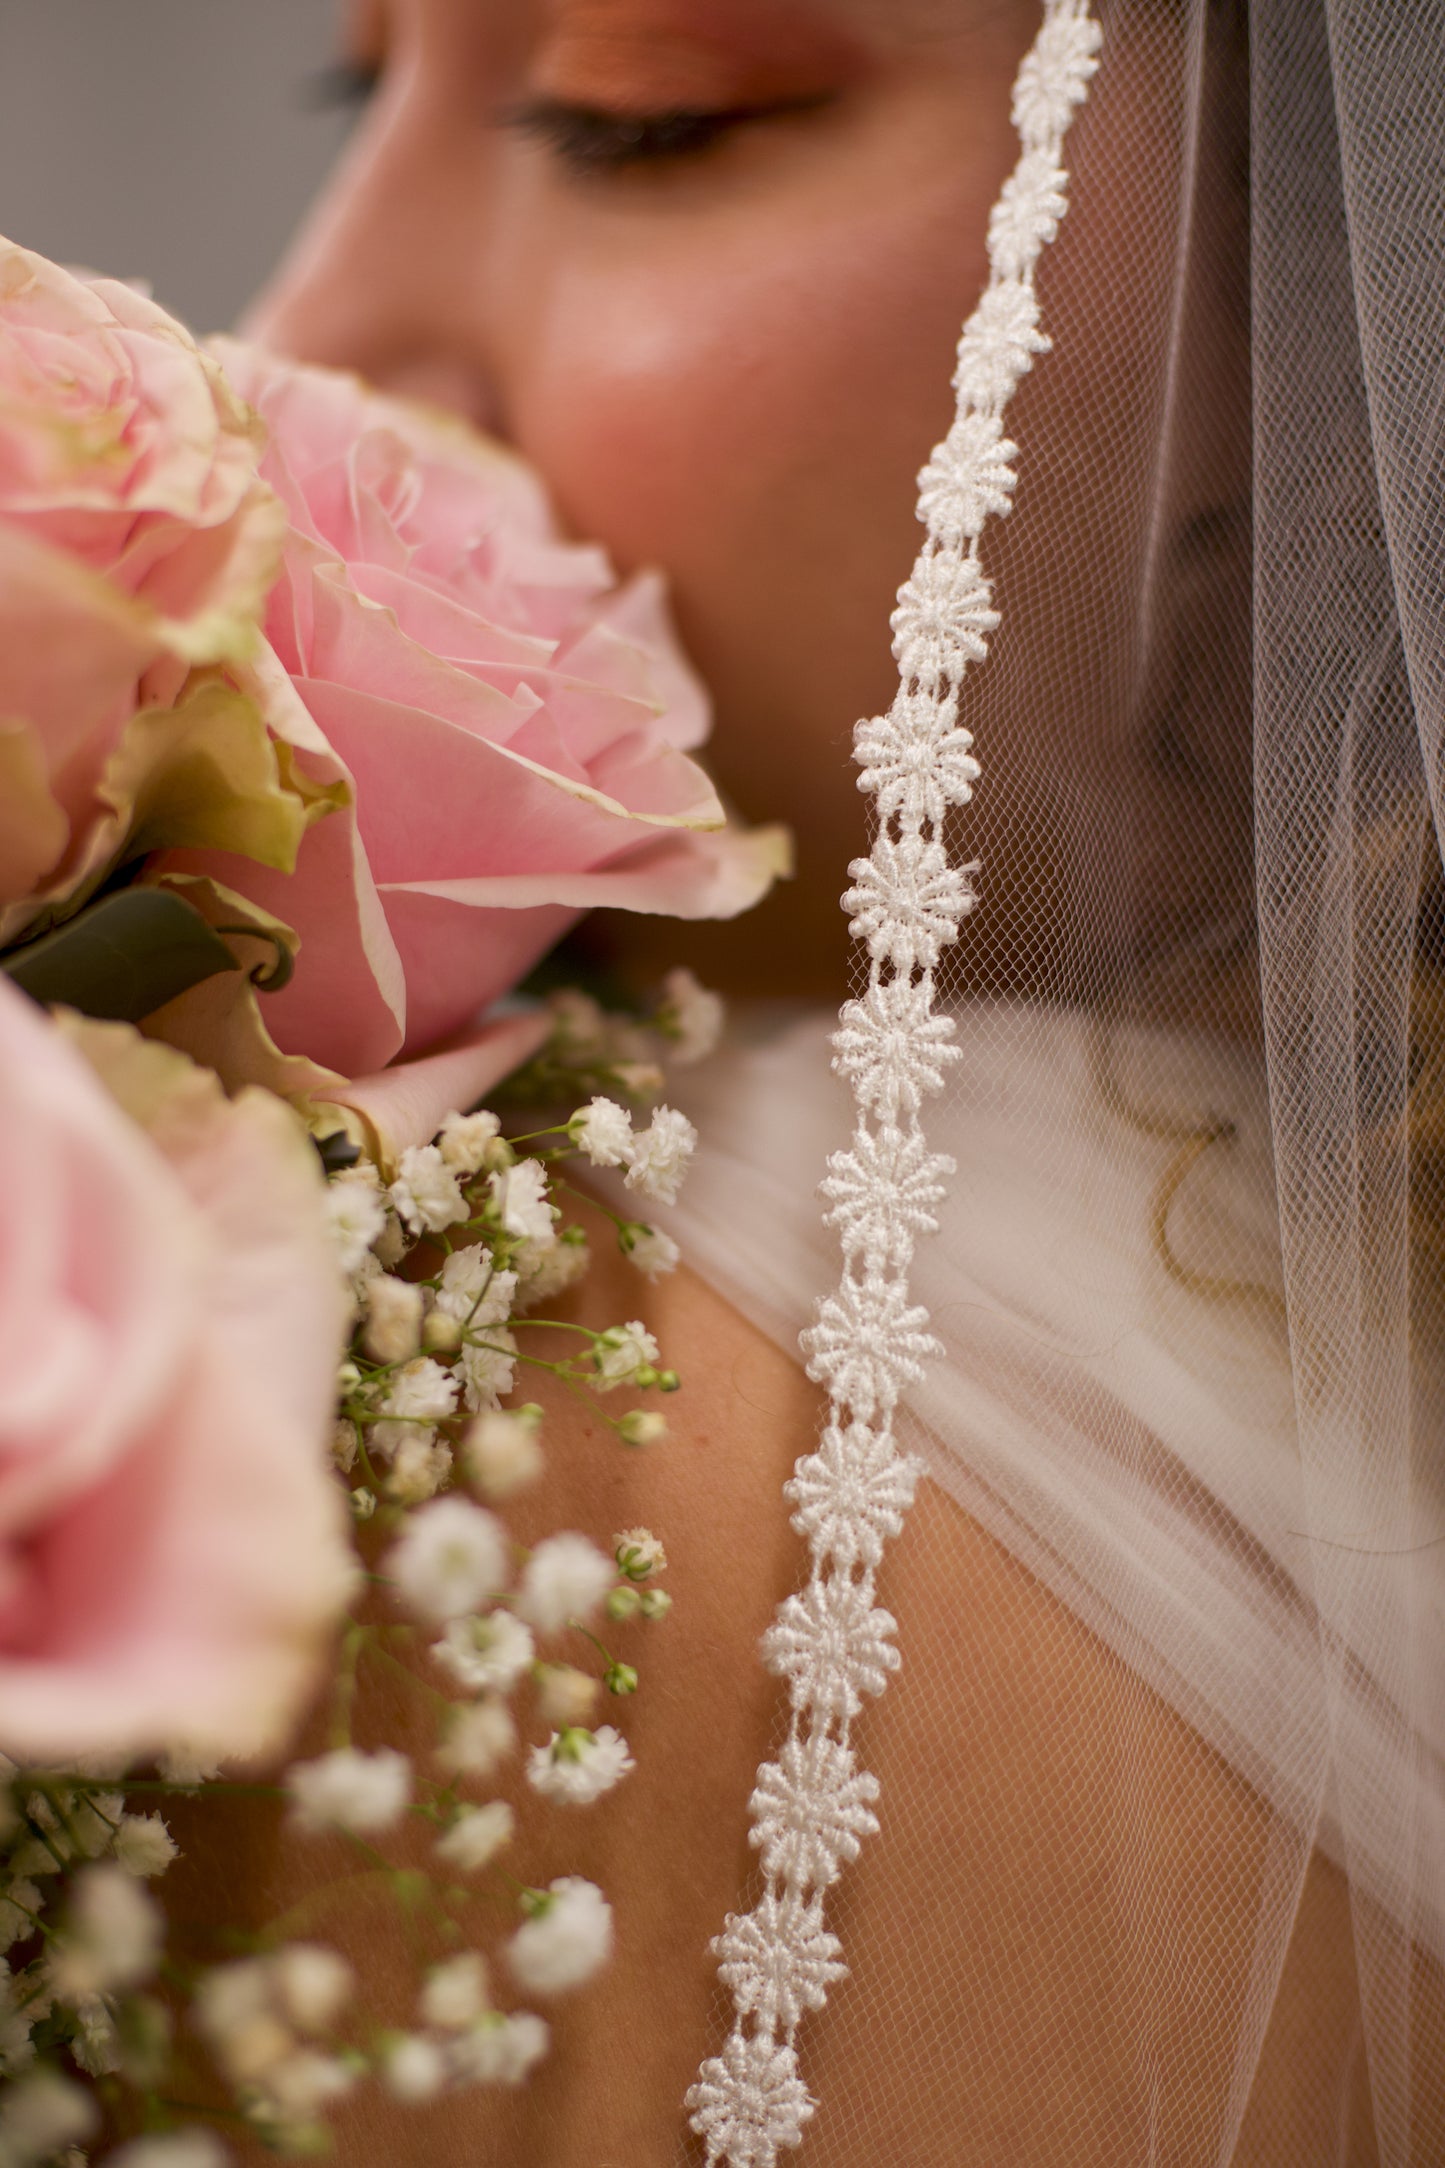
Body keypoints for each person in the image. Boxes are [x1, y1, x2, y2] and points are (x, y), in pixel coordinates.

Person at [202, 0, 1445, 2158]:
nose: (294, 345)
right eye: (352, 84)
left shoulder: (606, 1421)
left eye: (646, 122)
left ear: (1359, 315)